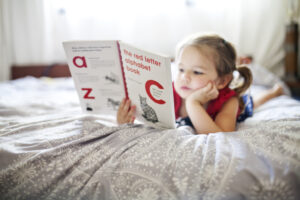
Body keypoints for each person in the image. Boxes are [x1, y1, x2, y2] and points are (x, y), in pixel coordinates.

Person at [117, 34, 284, 134]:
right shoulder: (173, 91)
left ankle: (274, 92)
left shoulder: (229, 101)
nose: (184, 77)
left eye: (197, 72)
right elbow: (151, 122)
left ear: (222, 81)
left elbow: (220, 136)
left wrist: (193, 103)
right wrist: (127, 122)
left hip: (236, 106)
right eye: (181, 69)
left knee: (252, 103)